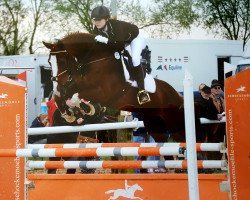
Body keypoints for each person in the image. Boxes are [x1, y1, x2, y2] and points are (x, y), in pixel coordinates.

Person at [91, 5, 150, 105]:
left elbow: (120, 46)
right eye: (94, 20)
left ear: (106, 19)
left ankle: (142, 92)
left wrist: (105, 40)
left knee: (135, 59)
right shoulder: (96, 29)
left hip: (135, 37)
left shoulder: (116, 25)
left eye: (99, 20)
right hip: (121, 41)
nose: (96, 22)